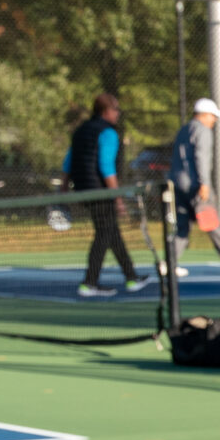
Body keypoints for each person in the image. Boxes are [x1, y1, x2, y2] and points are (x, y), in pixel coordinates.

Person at [66, 93, 147, 298]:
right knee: (104, 234)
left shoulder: (80, 130)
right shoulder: (108, 133)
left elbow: (68, 162)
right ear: (106, 111)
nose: (118, 114)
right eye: (116, 109)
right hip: (100, 191)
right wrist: (117, 197)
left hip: (83, 189)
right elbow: (106, 166)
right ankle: (89, 283)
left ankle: (131, 277)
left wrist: (62, 191)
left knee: (111, 231)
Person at [167, 99, 220, 278]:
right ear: (204, 114)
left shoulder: (184, 130)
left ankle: (169, 263)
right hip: (194, 185)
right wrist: (204, 183)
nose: (214, 120)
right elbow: (201, 158)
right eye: (213, 116)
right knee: (212, 222)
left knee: (182, 226)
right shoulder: (203, 131)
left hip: (177, 183)